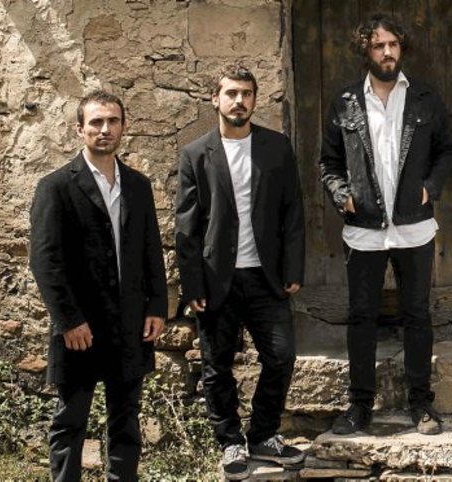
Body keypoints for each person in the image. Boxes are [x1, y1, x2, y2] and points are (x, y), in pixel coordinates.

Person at [319, 13, 452, 436]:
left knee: (416, 315)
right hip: (363, 229)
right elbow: (328, 162)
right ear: (366, 50)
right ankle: (360, 406)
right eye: (378, 45)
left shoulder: (425, 98)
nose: (387, 52)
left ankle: (421, 404)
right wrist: (341, 194)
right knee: (362, 317)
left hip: (414, 227)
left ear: (401, 48)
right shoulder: (345, 102)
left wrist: (430, 188)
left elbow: (447, 151)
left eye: (393, 44)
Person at [175, 64, 306, 480]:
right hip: (218, 279)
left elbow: (293, 211)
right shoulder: (196, 154)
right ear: (215, 99)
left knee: (282, 356)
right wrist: (192, 283)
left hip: (266, 277)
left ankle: (264, 434)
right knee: (217, 365)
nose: (239, 101)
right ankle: (230, 440)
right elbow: (186, 227)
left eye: (246, 94)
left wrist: (293, 267)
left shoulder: (276, 147)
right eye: (231, 93)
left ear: (254, 100)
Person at [30, 90, 167, 481]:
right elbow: (44, 261)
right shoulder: (56, 187)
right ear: (80, 129)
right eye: (96, 122)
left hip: (130, 322)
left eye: (112, 121)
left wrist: (157, 306)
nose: (105, 129)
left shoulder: (138, 185)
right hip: (81, 328)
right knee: (70, 421)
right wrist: (68, 320)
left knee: (126, 420)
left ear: (124, 127)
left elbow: (151, 249)